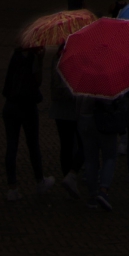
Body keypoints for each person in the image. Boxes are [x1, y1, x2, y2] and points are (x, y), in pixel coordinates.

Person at [1, 42, 55, 200]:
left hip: (10, 104)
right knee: (32, 144)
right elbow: (37, 81)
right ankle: (39, 181)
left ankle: (12, 186)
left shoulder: (15, 55)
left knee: (12, 145)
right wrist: (40, 60)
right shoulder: (31, 59)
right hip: (27, 105)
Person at [51, 46, 84, 196]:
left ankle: (69, 175)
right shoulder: (63, 61)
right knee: (75, 145)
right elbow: (59, 89)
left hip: (64, 110)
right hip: (70, 110)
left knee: (68, 145)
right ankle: (71, 175)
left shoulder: (58, 60)